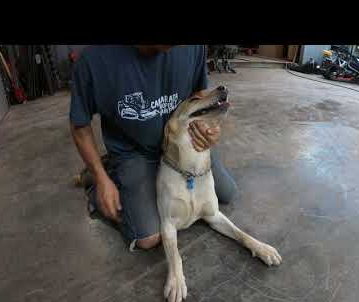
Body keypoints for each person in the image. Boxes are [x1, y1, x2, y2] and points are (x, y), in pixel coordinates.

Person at [70, 45, 237, 251]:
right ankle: (102, 174)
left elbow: (198, 93)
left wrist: (208, 125)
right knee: (148, 238)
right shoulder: (93, 60)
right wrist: (100, 178)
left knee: (227, 192)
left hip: (181, 141)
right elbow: (80, 125)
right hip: (135, 151)